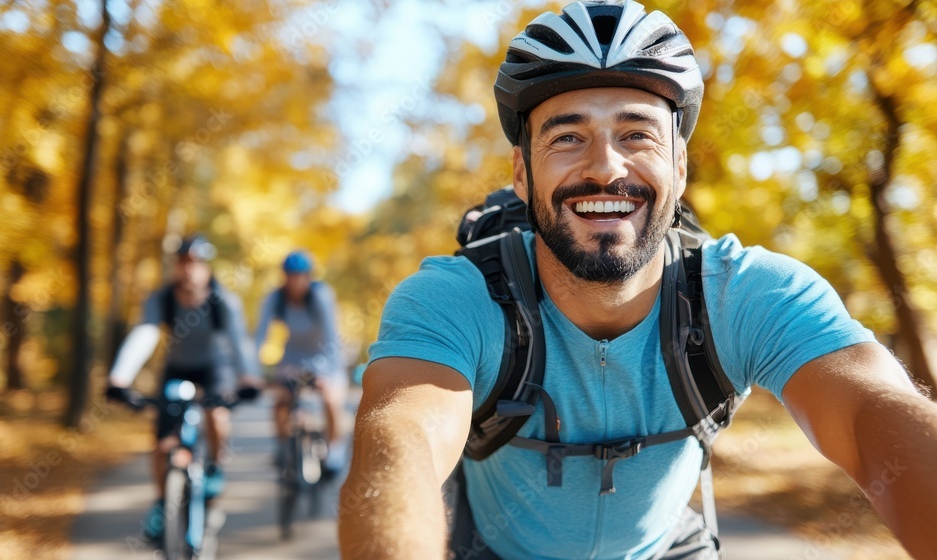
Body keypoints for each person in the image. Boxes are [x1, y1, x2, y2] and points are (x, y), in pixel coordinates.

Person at [338, 2, 937, 559]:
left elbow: (871, 412)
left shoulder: (747, 295)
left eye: (637, 135)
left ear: (678, 166)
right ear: (522, 174)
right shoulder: (457, 298)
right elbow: (400, 451)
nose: (604, 168)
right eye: (567, 137)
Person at [105, 234, 261, 541]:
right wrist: (119, 378)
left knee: (216, 414)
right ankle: (163, 503)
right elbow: (145, 334)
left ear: (206, 267)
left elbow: (238, 340)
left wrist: (249, 379)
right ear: (176, 266)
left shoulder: (223, 301)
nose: (189, 270)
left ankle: (215, 468)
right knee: (162, 443)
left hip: (214, 366)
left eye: (196, 263)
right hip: (177, 367)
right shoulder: (161, 299)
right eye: (183, 263)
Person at [253, 250, 348, 478]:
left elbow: (332, 338)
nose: (295, 280)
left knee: (330, 399)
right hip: (292, 358)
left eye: (300, 275)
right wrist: (253, 372)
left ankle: (334, 449)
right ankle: (284, 449)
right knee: (280, 401)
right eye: (290, 275)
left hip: (324, 357)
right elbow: (259, 337)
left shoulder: (321, 296)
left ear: (309, 276)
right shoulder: (275, 299)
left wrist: (327, 374)